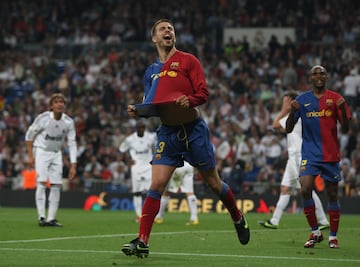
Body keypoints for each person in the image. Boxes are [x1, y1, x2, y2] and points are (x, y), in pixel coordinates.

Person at [122, 18, 249, 258]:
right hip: (167, 134)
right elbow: (152, 105)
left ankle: (237, 215)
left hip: (193, 131)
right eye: (163, 29)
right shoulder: (151, 72)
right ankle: (143, 240)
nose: (168, 31)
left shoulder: (189, 60)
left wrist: (189, 100)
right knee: (157, 185)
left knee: (213, 184)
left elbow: (203, 93)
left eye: (170, 28)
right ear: (154, 38)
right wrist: (137, 110)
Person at [286, 65, 351, 249]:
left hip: (330, 155)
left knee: (332, 194)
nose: (319, 76)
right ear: (311, 78)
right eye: (315, 73)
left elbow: (345, 129)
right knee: (305, 189)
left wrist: (344, 110)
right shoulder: (302, 100)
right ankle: (315, 232)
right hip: (310, 155)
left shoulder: (336, 99)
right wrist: (292, 111)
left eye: (322, 73)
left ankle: (333, 236)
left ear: (327, 76)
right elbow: (288, 129)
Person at [258, 92, 329, 229]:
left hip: (299, 155)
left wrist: (284, 110)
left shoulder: (295, 115)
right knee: (285, 188)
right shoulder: (299, 114)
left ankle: (323, 221)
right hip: (293, 157)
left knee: (306, 188)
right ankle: (274, 221)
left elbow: (275, 125)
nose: (283, 104)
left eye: (285, 102)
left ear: (292, 102)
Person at [25, 93, 77, 227]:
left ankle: (51, 218)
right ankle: (41, 217)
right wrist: (31, 156)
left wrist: (73, 165)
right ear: (51, 106)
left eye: (62, 102)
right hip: (42, 151)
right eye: (56, 102)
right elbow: (29, 136)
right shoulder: (43, 119)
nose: (59, 104)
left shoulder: (68, 122)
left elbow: (72, 143)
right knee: (42, 182)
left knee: (56, 185)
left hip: (56, 153)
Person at [119, 119, 156, 223]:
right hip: (136, 167)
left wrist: (155, 157)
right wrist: (128, 161)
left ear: (144, 128)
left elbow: (157, 146)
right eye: (139, 127)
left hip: (148, 166)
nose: (141, 129)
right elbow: (122, 150)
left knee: (151, 192)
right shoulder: (130, 139)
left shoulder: (151, 137)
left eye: (142, 127)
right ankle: (139, 216)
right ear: (136, 128)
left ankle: (149, 214)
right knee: (137, 192)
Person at [154, 161, 199, 225]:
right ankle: (194, 219)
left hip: (179, 165)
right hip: (189, 165)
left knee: (166, 192)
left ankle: (159, 217)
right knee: (190, 192)